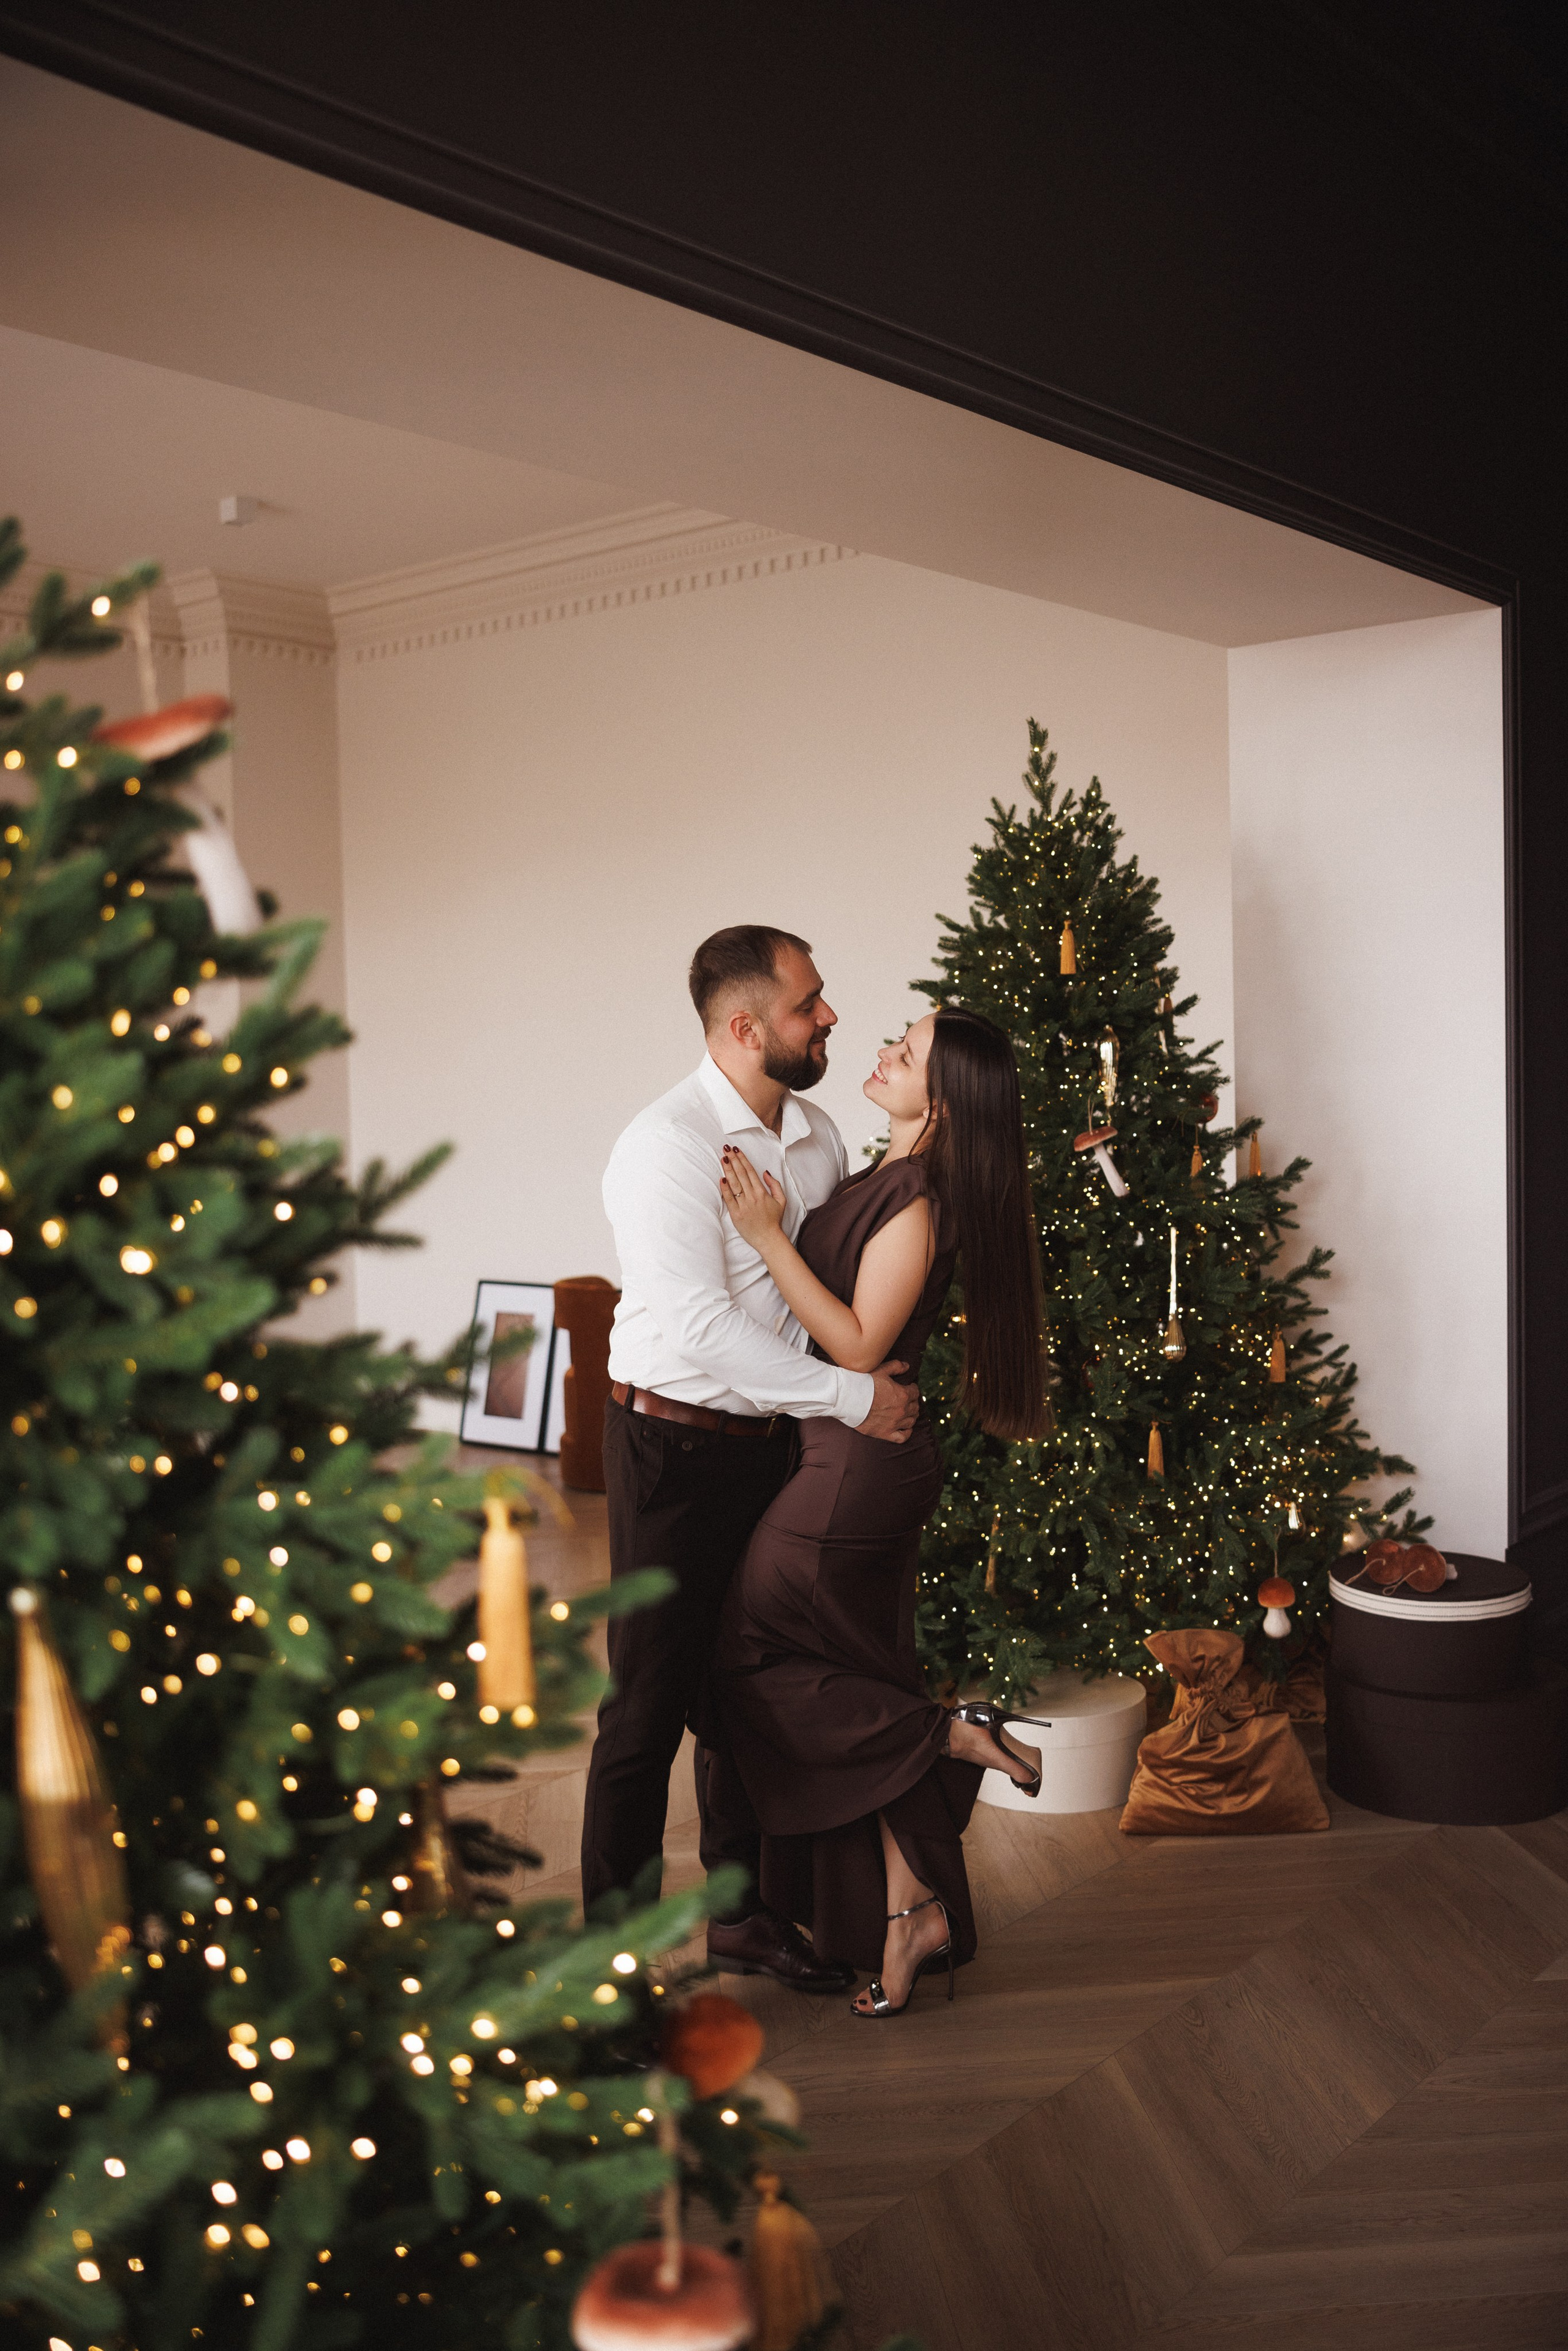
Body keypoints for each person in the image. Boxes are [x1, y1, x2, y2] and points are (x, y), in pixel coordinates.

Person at [581, 925, 920, 1991]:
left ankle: (739, 1917)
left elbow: (820, 1295)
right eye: (808, 1003)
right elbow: (697, 1327)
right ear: (743, 1026)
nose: (830, 1016)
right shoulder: (664, 1146)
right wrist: (856, 1399)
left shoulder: (817, 1137)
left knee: (745, 1691)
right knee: (644, 1714)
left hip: (775, 1449)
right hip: (669, 1451)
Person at [715, 1004, 1052, 2017]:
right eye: (898, 1040)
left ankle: (948, 1734)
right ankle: (912, 1916)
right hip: (843, 1454)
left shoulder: (918, 1200)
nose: (883, 1052)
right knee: (857, 1683)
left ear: (942, 1104)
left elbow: (859, 1345)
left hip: (857, 1470)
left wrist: (766, 1237)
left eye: (905, 1054)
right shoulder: (883, 1173)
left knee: (743, 1658)